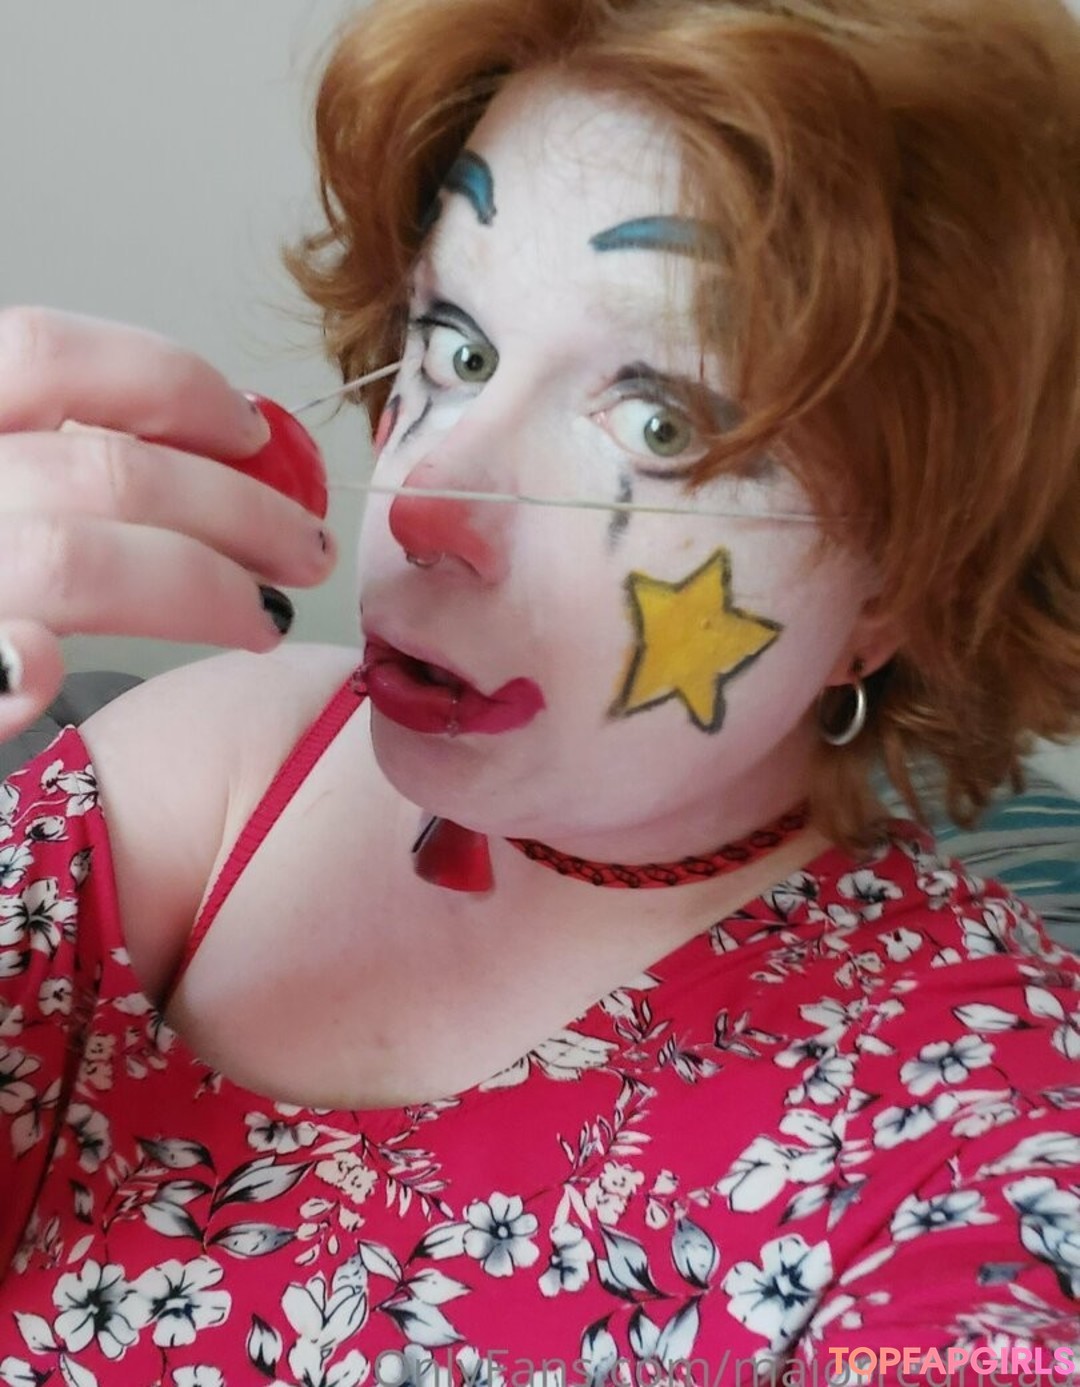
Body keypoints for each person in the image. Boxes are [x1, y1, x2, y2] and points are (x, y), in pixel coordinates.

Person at [0, 0, 1078, 1379]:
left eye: (661, 421)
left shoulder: (977, 1102)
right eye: (458, 348)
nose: (428, 502)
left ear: (904, 582)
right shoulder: (225, 764)